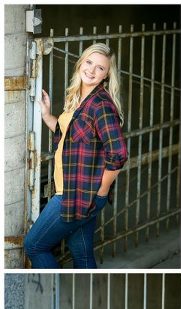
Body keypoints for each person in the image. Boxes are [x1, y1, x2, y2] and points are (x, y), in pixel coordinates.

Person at [23, 42, 127, 268]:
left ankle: (56, 296)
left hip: (77, 195)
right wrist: (48, 115)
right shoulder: (79, 99)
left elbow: (118, 153)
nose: (91, 70)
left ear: (106, 75)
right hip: (75, 191)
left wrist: (101, 192)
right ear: (81, 63)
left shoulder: (101, 105)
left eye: (100, 68)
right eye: (89, 62)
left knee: (34, 245)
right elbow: (71, 136)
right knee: (82, 255)